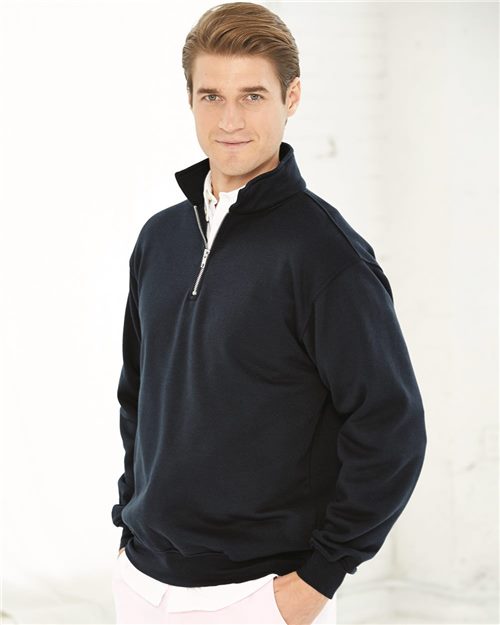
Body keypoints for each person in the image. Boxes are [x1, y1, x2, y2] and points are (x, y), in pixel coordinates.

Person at [110, 2, 427, 624]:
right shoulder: (159, 239)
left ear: (292, 98)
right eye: (211, 96)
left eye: (252, 96)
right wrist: (128, 523)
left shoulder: (324, 253)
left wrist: (320, 577)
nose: (229, 120)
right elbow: (137, 395)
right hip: (143, 581)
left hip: (258, 591)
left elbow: (391, 426)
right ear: (190, 99)